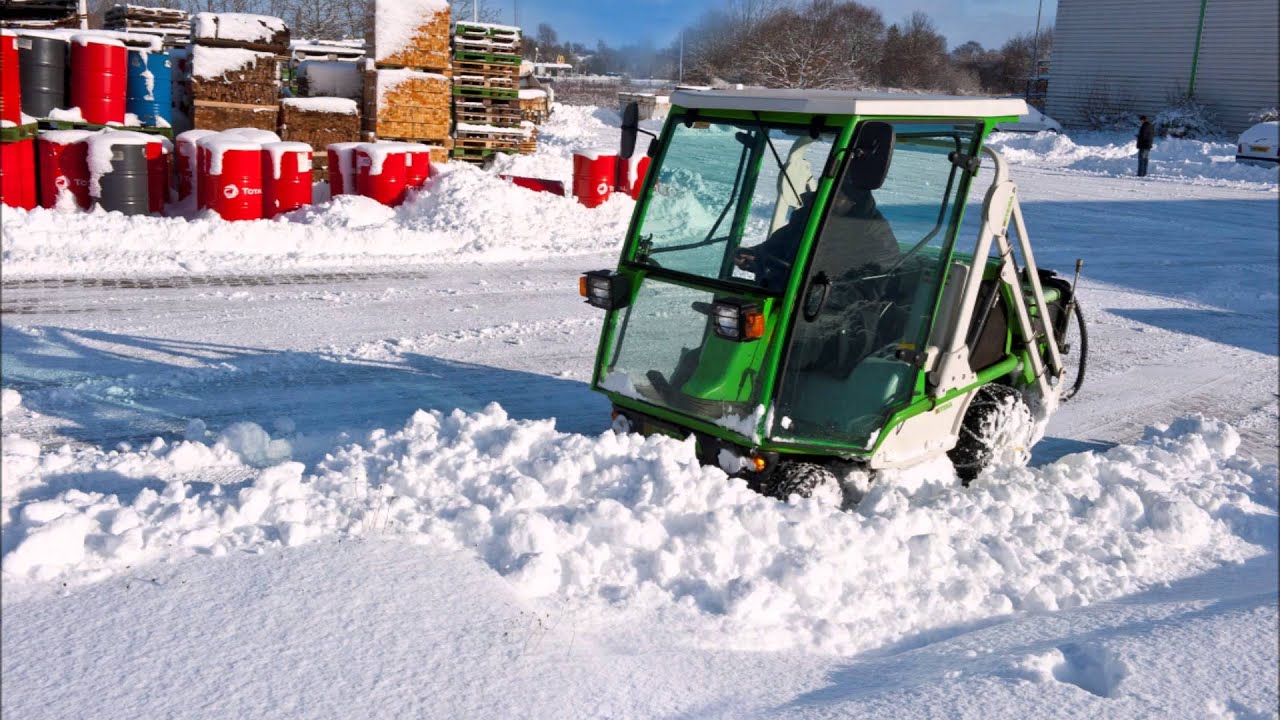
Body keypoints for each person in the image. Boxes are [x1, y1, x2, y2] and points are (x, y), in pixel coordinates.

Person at [733, 178, 898, 292]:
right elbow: (778, 245)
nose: (830, 201)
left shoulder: (875, 236)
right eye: (827, 194)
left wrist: (819, 292)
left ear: (854, 201)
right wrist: (755, 255)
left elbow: (873, 287)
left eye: (838, 197)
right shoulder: (809, 218)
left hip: (832, 314)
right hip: (787, 297)